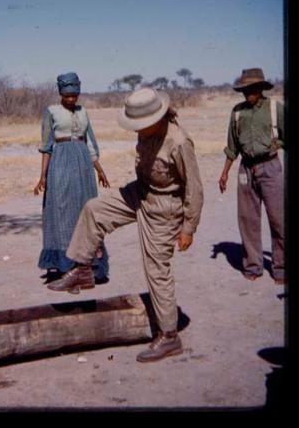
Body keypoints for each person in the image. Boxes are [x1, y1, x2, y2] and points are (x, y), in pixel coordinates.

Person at [47, 87, 204, 363]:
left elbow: (195, 188)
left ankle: (169, 336)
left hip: (165, 207)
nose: (138, 130)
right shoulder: (146, 133)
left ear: (159, 116)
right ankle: (83, 269)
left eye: (142, 124)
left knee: (156, 270)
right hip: (140, 192)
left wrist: (188, 228)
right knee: (94, 209)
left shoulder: (179, 141)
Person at [33, 72, 110, 283]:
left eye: (75, 95)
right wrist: (43, 176)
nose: (71, 99)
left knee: (86, 211)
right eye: (67, 96)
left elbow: (90, 143)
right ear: (60, 93)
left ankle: (87, 265)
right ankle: (63, 265)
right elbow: (46, 145)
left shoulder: (83, 111)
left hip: (83, 165)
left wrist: (99, 169)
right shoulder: (51, 112)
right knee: (61, 212)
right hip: (60, 164)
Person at [218, 68, 285, 284]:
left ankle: (280, 267)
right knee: (247, 219)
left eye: (251, 90)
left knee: (278, 219)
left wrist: (278, 143)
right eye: (244, 90)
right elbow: (232, 146)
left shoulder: (275, 109)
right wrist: (225, 173)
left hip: (270, 167)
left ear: (261, 89)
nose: (247, 94)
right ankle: (253, 265)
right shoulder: (237, 112)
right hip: (246, 169)